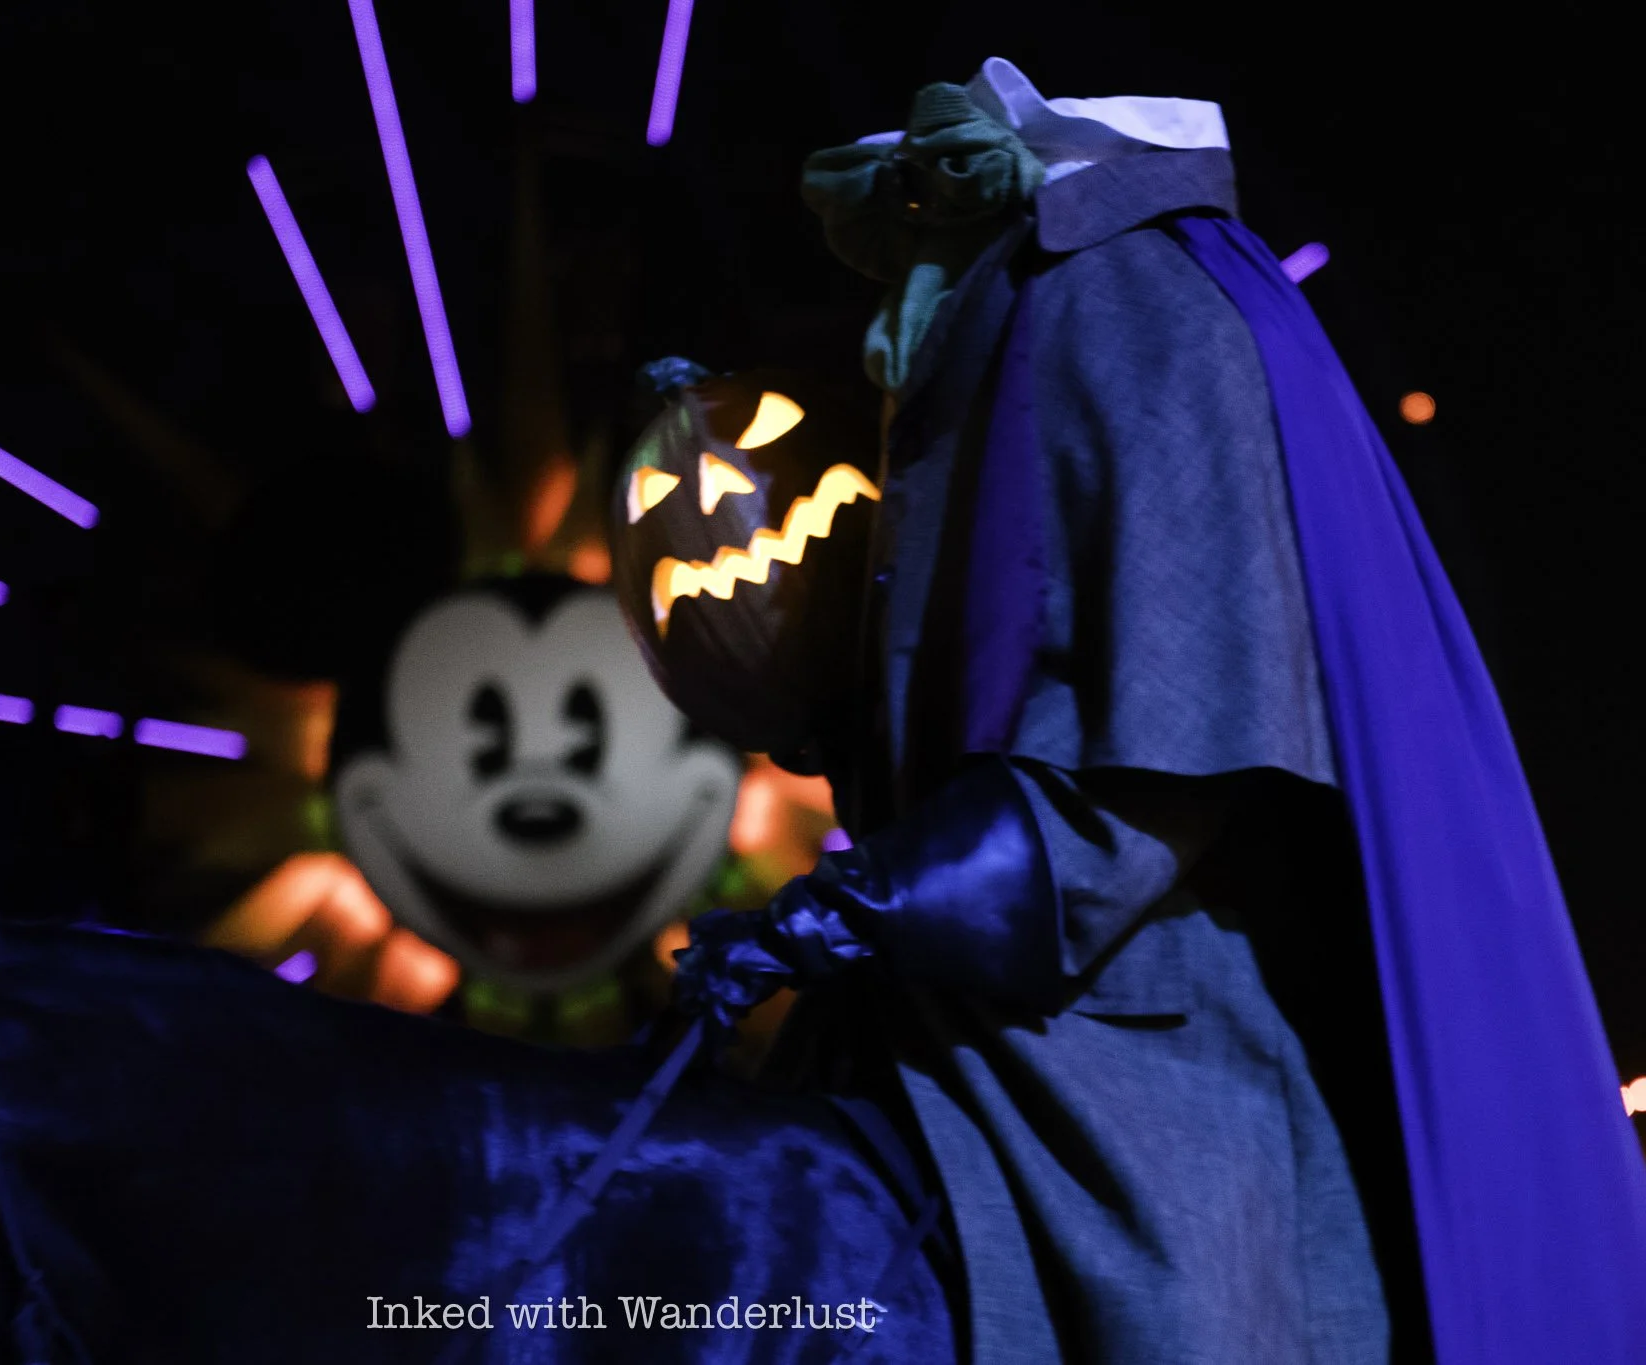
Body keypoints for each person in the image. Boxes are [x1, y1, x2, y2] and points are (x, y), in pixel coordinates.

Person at [670, 58, 1646, 1363]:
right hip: (968, 1008)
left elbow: (1167, 753)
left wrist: (862, 906)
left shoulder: (1123, 304)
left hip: (1127, 1055)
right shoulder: (1012, 314)